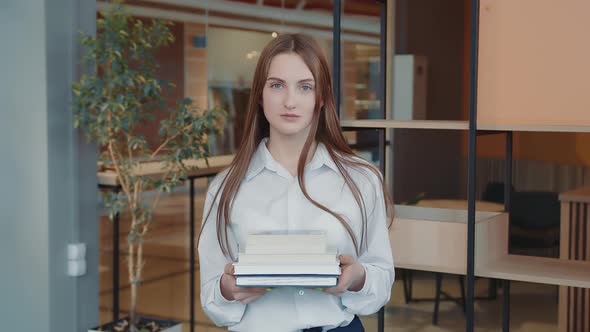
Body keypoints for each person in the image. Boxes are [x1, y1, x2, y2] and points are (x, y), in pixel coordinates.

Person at [198, 33, 394, 332]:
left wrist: (357, 278)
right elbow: (212, 298)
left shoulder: (361, 179)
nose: (290, 101)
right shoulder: (225, 188)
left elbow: (381, 280)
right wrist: (228, 289)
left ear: (322, 97)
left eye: (305, 87)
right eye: (277, 85)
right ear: (260, 95)